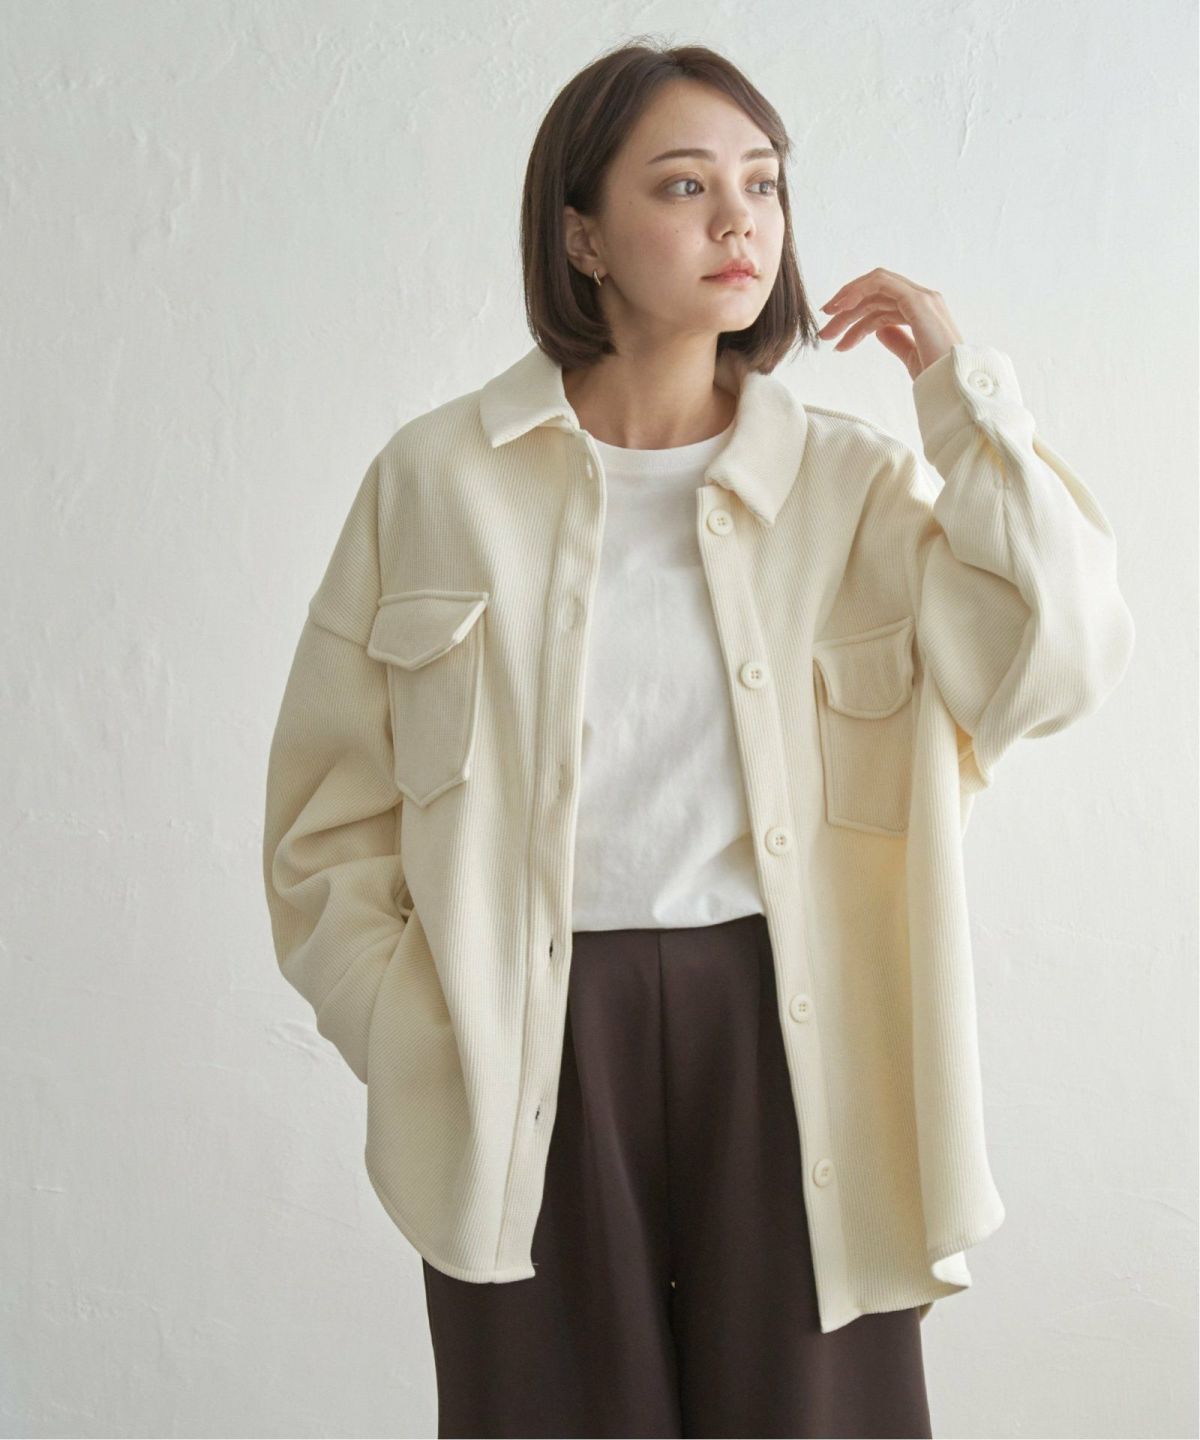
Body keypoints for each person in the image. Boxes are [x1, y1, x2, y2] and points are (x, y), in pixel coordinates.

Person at [261, 40, 1135, 1440]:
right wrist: (416, 1032)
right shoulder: (439, 481)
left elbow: (1059, 655)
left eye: (763, 185)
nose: (740, 221)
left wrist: (965, 397)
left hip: (799, 1034)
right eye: (684, 186)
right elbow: (324, 825)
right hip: (527, 1037)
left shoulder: (854, 485)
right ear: (582, 235)